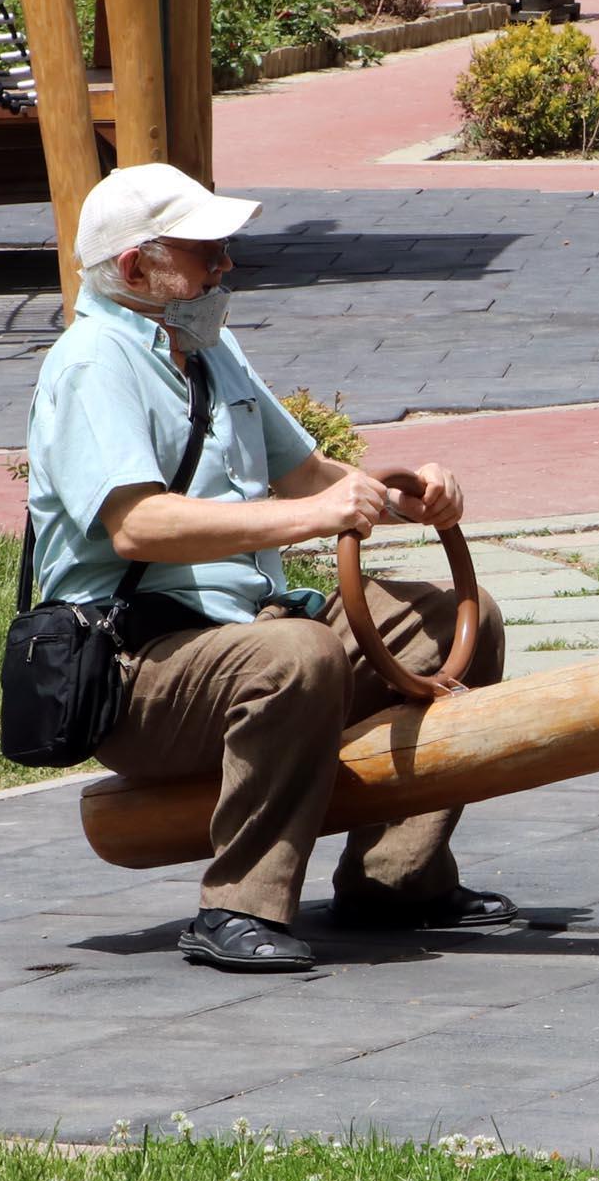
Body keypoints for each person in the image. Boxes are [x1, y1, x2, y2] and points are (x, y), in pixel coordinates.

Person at [26, 163, 517, 974]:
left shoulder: (210, 350)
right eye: (204, 250)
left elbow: (308, 475)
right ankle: (237, 906)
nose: (225, 266)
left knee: (458, 620)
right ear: (135, 268)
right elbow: (137, 525)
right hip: (137, 663)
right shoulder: (92, 363)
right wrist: (310, 519)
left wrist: (410, 495)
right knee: (298, 653)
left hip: (245, 634)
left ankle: (397, 876)